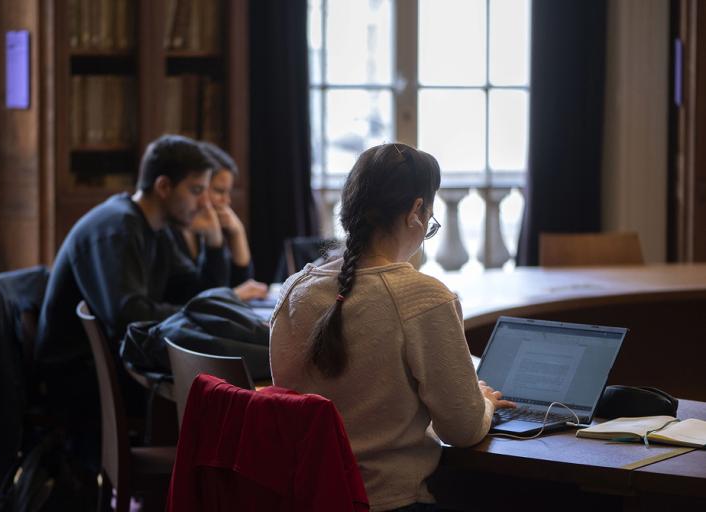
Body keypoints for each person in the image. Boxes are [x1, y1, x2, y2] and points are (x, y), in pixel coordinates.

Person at [270, 143, 515, 512]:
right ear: (417, 211)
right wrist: (483, 402)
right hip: (390, 501)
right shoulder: (422, 297)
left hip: (305, 497)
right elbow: (462, 430)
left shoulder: (295, 289)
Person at [34, 134, 229, 415]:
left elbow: (197, 294)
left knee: (213, 395)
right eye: (196, 190)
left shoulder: (158, 229)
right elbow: (129, 316)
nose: (205, 204)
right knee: (210, 404)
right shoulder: (118, 228)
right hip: (82, 380)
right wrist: (197, 314)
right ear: (163, 186)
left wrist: (213, 244)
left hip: (120, 368)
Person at [173, 142, 268, 301]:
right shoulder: (171, 231)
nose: (227, 201)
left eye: (228, 192)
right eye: (219, 191)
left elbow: (243, 285)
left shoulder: (207, 226)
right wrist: (214, 242)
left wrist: (238, 233)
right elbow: (200, 299)